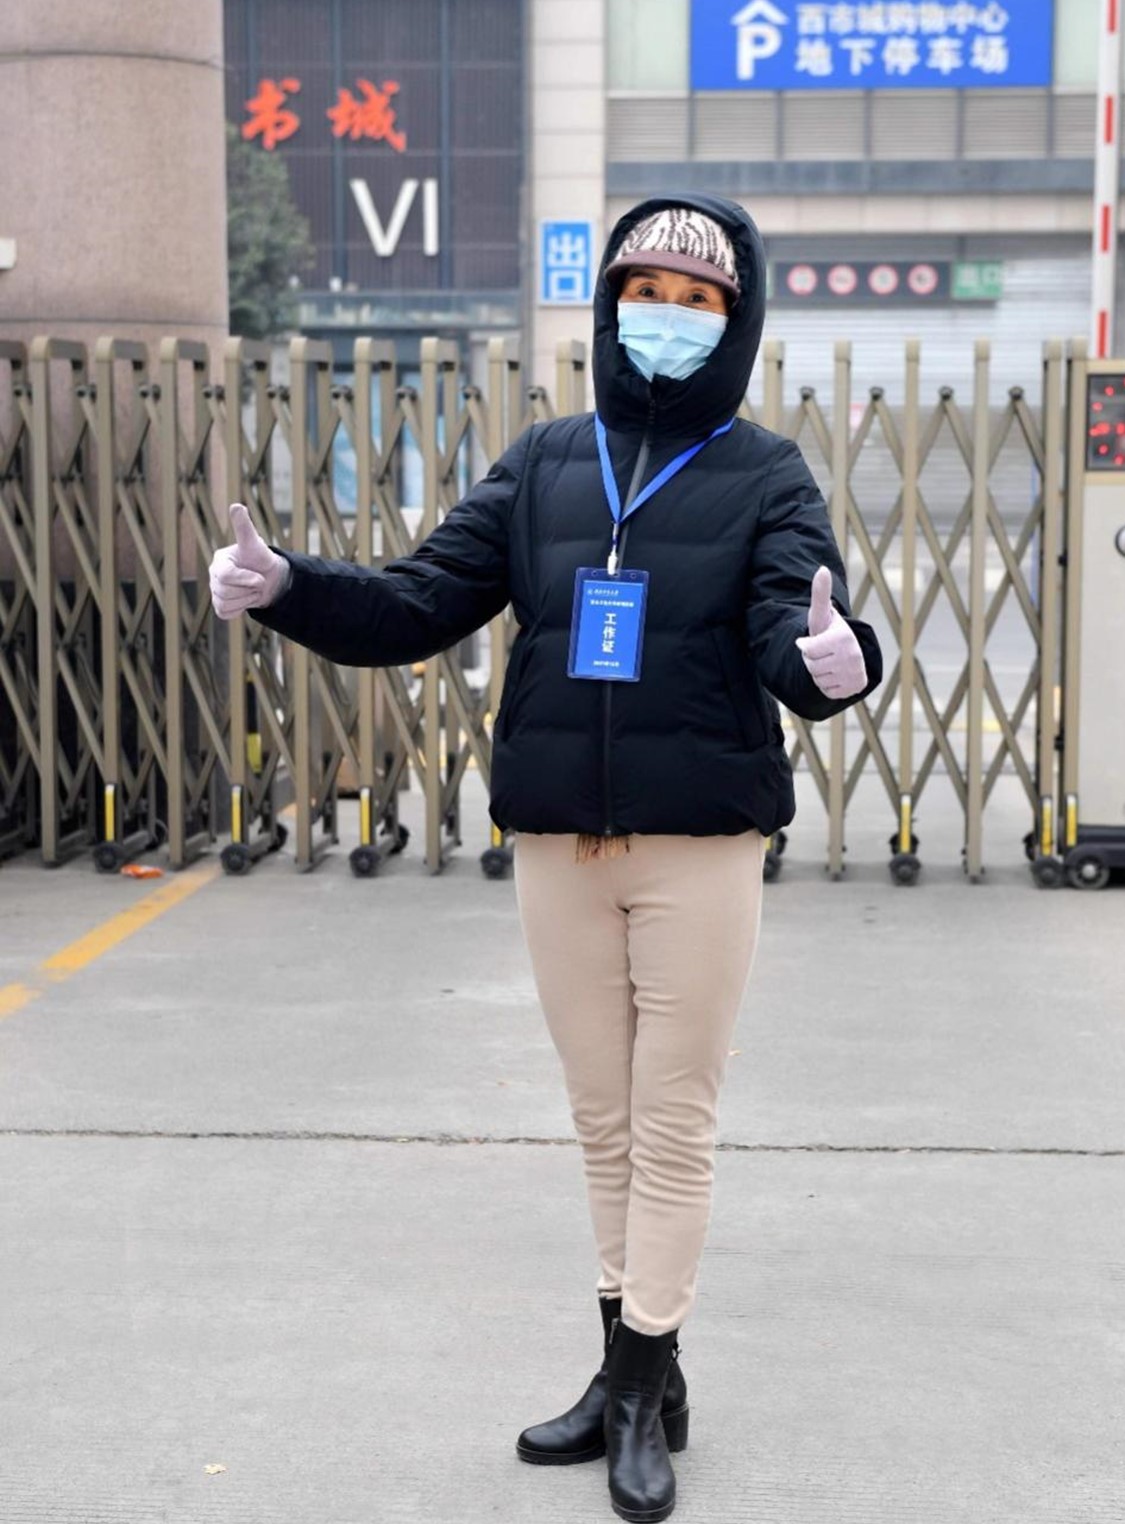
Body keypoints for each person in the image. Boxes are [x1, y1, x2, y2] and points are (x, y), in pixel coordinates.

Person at [209, 194, 881, 1524]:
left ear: (736, 319)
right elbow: (421, 601)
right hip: (558, 845)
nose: (668, 317)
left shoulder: (766, 475)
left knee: (671, 1122)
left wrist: (835, 660)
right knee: (601, 1120)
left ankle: (635, 1398)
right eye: (647, 292)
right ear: (610, 306)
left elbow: (790, 632)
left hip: (697, 846)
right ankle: (640, 1369)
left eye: (697, 300)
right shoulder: (546, 464)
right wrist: (289, 586)